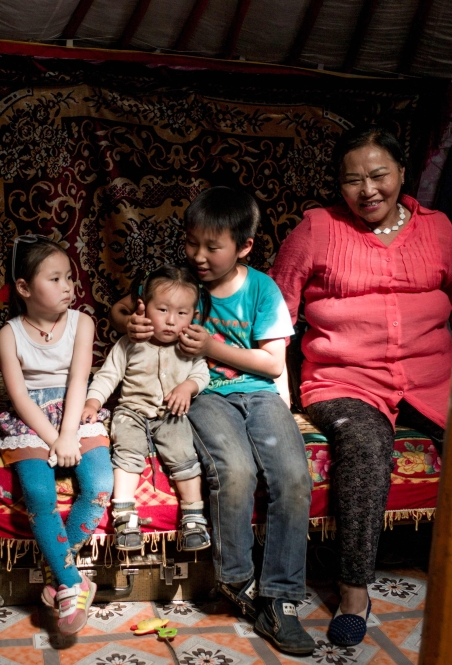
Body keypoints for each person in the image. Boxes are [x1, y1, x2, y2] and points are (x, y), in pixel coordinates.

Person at [270, 125, 452, 646]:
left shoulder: (437, 229)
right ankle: (353, 591)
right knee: (365, 444)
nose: (368, 190)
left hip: (432, 378)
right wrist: (272, 385)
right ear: (338, 187)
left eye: (379, 175)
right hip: (346, 379)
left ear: (403, 174)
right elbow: (277, 308)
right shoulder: (317, 229)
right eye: (353, 180)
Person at [112, 187, 315, 656]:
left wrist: (211, 349)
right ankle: (238, 579)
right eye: (191, 243)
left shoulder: (262, 289)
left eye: (212, 246)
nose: (198, 256)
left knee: (293, 477)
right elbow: (124, 307)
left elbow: (271, 364)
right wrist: (129, 324)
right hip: (203, 395)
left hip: (260, 394)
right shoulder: (182, 285)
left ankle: (281, 598)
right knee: (237, 471)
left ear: (243, 246)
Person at [0, 234, 114, 636]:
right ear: (25, 288)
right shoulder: (9, 334)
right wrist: (52, 439)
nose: (69, 287)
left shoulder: (83, 323)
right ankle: (73, 584)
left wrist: (69, 435)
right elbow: (20, 398)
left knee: (99, 485)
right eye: (56, 279)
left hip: (74, 409)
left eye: (70, 278)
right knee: (40, 495)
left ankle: (58, 575)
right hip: (31, 418)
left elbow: (79, 379)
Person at [81, 264, 212, 553]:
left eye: (182, 313)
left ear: (194, 315)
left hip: (171, 412)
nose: (170, 321)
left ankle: (193, 515)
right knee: (127, 450)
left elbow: (201, 373)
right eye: (162, 310)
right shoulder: (129, 343)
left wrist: (187, 387)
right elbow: (108, 375)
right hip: (132, 410)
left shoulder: (188, 345)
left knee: (182, 452)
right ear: (143, 307)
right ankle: (125, 514)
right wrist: (93, 402)